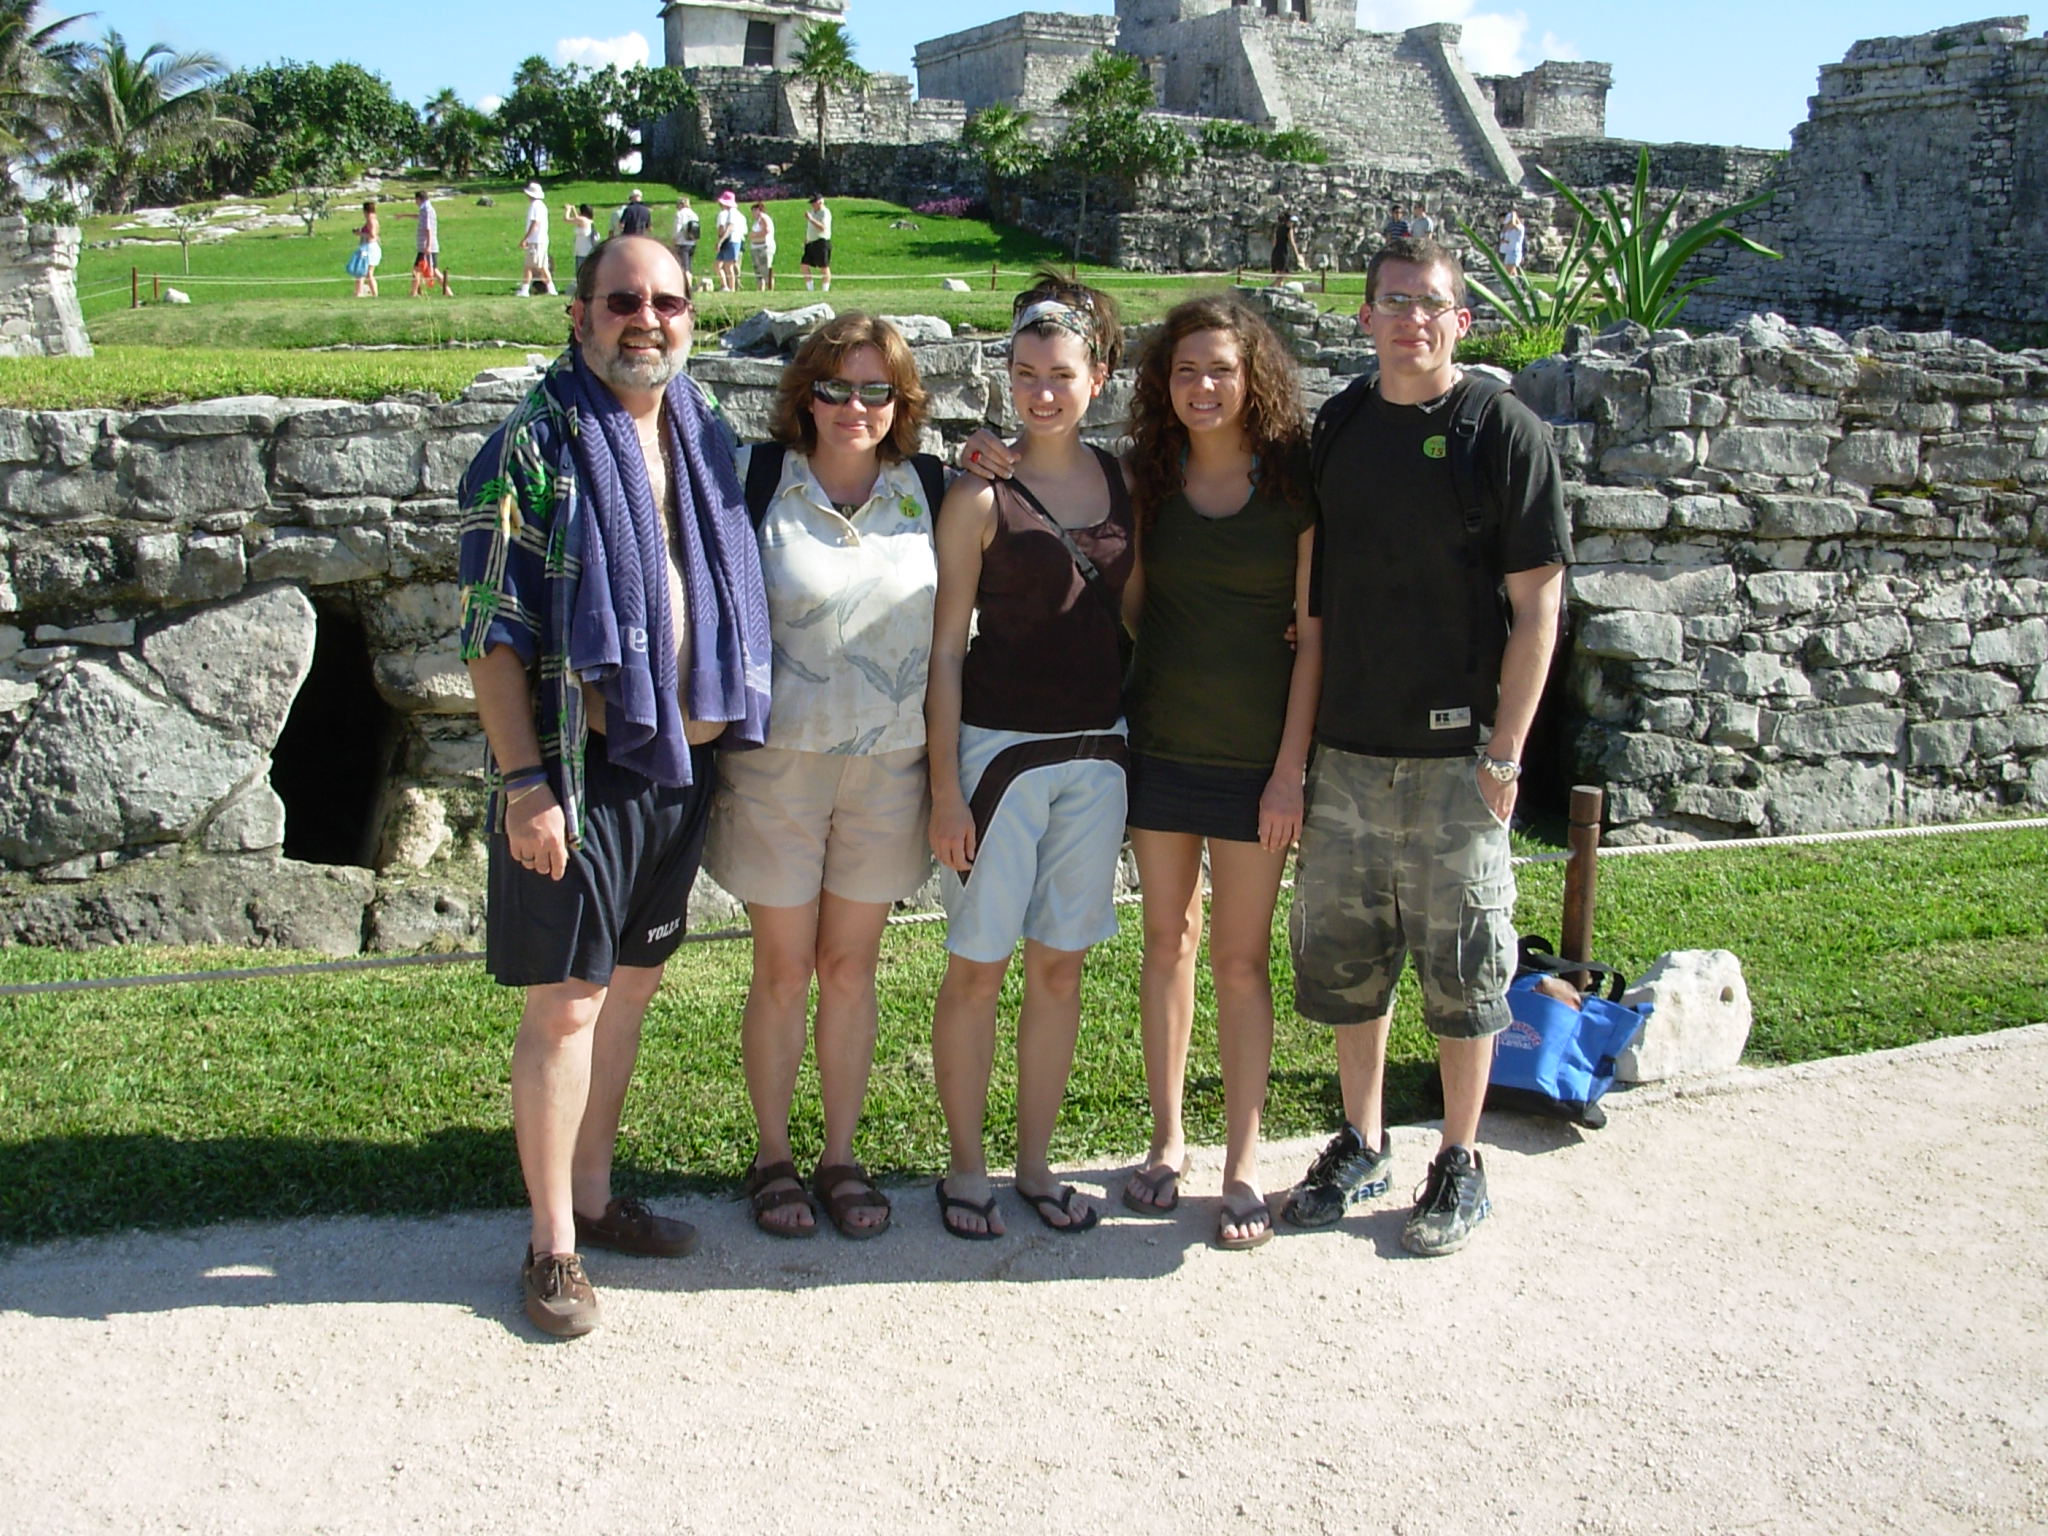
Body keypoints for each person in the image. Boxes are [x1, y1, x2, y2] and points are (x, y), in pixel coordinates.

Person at [457, 234, 772, 1336]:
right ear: (579, 315)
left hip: (677, 766)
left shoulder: (702, 437)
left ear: (693, 315)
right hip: (580, 768)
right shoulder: (531, 447)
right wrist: (523, 783)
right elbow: (491, 633)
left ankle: (593, 1198)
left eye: (668, 301)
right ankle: (551, 1247)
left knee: (629, 990)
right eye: (623, 300)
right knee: (569, 1002)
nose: (649, 318)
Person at [1284, 234, 1570, 1257]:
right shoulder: (1339, 428)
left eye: (1430, 303)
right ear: (1363, 317)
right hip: (1350, 750)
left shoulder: (1500, 431)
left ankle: (1458, 1157)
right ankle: (1359, 1141)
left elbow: (1537, 605)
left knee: (1463, 968)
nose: (1411, 318)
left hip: (1457, 763)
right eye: (1393, 301)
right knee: (1347, 966)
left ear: (1460, 320)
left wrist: (1505, 750)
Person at [705, 314, 944, 1240]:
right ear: (806, 395)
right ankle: (773, 1155)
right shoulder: (759, 484)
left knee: (850, 968)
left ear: (902, 402)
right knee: (782, 970)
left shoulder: (930, 488)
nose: (857, 406)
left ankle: (840, 1155)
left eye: (877, 390)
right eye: (837, 388)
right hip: (779, 766)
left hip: (889, 768)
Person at [926, 272, 1132, 1240]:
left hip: (1098, 759)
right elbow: (942, 650)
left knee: (1059, 970)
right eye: (1022, 373)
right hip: (999, 759)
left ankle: (1036, 1164)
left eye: (1058, 373)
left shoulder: (1128, 485)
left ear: (1097, 375)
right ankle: (966, 1168)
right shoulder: (977, 494)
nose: (1039, 392)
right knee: (977, 967)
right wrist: (942, 789)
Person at [1114, 296, 1319, 1251]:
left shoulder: (1293, 487)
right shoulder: (1147, 483)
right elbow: (1129, 607)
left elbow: (1313, 640)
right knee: (1167, 941)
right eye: (1185, 369)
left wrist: (1289, 774)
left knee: (1240, 961)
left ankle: (1242, 1161)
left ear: (1253, 378)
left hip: (1254, 763)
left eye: (1221, 370)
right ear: (1166, 382)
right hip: (1160, 747)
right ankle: (1166, 1141)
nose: (1202, 386)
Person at [397, 189, 452, 298]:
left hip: (426, 246)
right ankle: (448, 292)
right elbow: (418, 217)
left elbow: (428, 228)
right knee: (434, 270)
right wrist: (403, 215)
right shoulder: (427, 209)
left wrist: (427, 246)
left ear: (419, 199)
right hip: (428, 245)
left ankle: (413, 294)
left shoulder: (426, 210)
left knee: (417, 270)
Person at [518, 181, 556, 297]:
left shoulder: (535, 206)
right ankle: (551, 289)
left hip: (536, 241)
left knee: (529, 265)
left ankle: (525, 290)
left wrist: (525, 238)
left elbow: (535, 223)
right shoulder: (541, 206)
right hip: (541, 240)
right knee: (541, 266)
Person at [714, 189, 743, 293]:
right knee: (718, 265)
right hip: (728, 240)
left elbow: (730, 227)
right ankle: (725, 286)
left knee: (728, 266)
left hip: (732, 240)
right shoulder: (729, 212)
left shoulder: (733, 213)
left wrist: (721, 241)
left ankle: (732, 288)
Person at [801, 193, 832, 292]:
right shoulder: (813, 212)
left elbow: (822, 228)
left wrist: (811, 219)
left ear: (820, 201)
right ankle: (810, 289)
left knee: (824, 267)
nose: (812, 205)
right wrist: (807, 239)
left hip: (821, 241)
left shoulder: (824, 212)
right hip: (811, 242)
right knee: (804, 265)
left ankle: (825, 290)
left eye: (814, 202)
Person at [352, 200, 381, 299]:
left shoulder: (371, 220)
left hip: (369, 248)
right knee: (367, 272)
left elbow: (372, 235)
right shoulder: (373, 220)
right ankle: (372, 294)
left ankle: (361, 293)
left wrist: (360, 234)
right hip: (369, 247)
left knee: (364, 271)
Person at [748, 201, 777, 292]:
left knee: (765, 269)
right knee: (758, 270)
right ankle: (760, 289)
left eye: (754, 211)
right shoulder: (757, 221)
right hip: (756, 247)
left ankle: (769, 289)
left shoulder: (763, 218)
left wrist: (754, 235)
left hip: (763, 247)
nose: (753, 214)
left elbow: (766, 230)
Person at [565, 203, 598, 282]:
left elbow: (566, 219)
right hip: (583, 250)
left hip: (583, 252)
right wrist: (573, 209)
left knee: (581, 274)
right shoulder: (587, 221)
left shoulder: (582, 220)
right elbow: (577, 219)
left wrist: (568, 210)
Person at [673, 194, 701, 285]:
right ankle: (690, 284)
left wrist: (674, 240)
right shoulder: (694, 214)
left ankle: (687, 287)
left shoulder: (680, 214)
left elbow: (677, 229)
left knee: (684, 268)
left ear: (681, 204)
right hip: (692, 242)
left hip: (682, 242)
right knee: (689, 266)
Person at [1270, 208, 1303, 279]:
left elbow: (1274, 242)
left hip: (1276, 252)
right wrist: (1297, 255)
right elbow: (1292, 242)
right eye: (1292, 221)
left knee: (1279, 275)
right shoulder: (1289, 230)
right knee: (1282, 276)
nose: (1293, 223)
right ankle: (1268, 289)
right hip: (1283, 253)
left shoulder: (1278, 228)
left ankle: (1277, 289)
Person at [1498, 208, 1526, 280]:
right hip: (1509, 252)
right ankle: (1520, 288)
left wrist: (1514, 215)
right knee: (1513, 274)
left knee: (1507, 274)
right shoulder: (1511, 229)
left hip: (1514, 252)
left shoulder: (1520, 227)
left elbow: (1513, 223)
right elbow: (1506, 228)